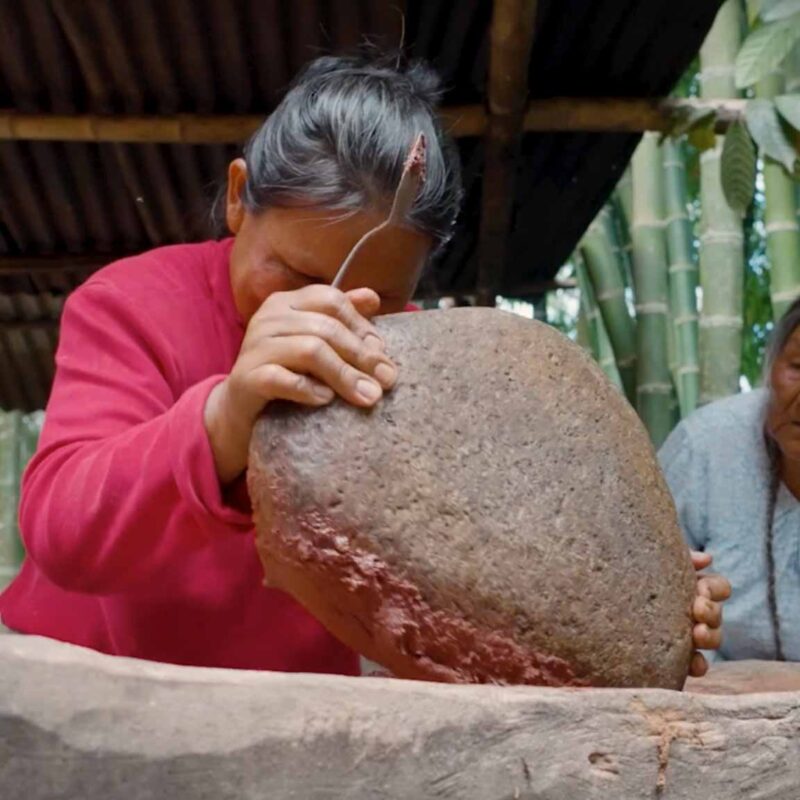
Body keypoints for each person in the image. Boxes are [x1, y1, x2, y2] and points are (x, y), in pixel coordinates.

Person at [0, 53, 724, 679]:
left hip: (304, 715)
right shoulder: (132, 303)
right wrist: (223, 419)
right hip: (98, 694)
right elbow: (62, 534)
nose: (327, 316)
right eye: (289, 274)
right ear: (235, 198)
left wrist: (635, 592)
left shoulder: (412, 358)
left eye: (374, 298)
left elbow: (490, 541)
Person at [660, 297, 800, 662]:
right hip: (711, 696)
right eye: (798, 367)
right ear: (770, 370)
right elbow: (640, 582)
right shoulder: (703, 445)